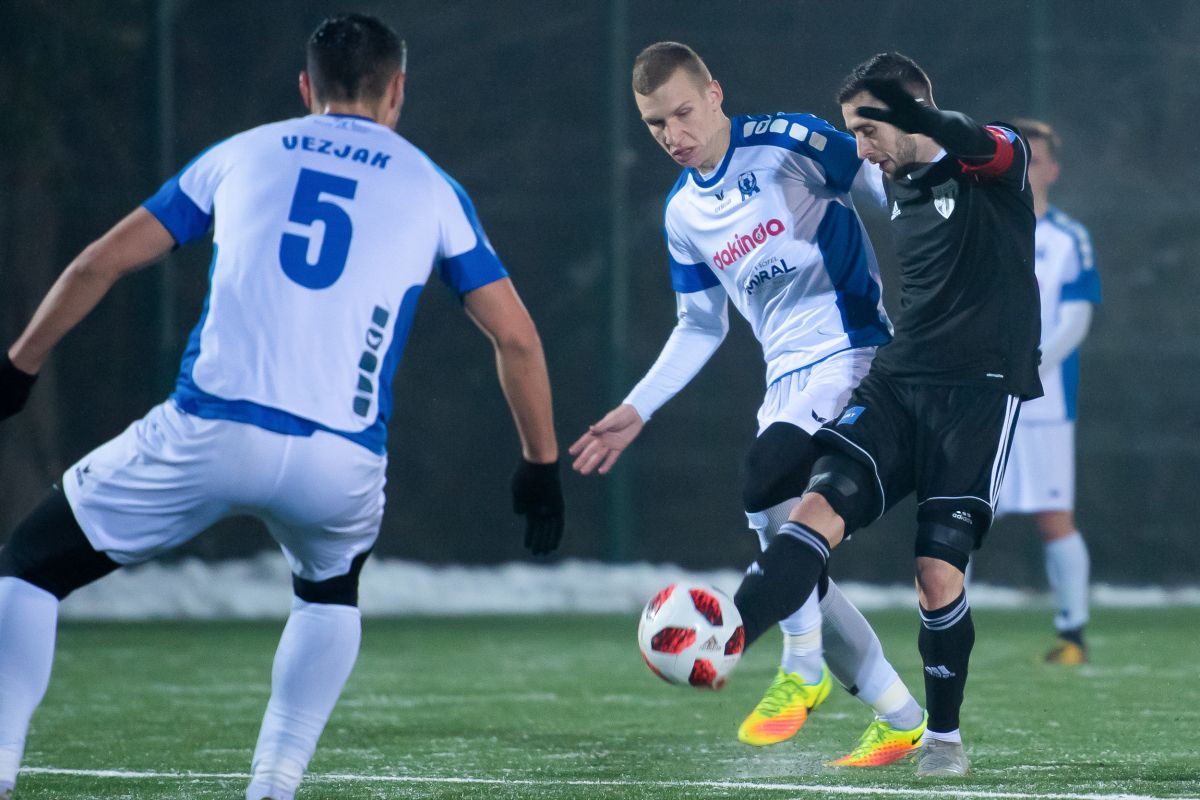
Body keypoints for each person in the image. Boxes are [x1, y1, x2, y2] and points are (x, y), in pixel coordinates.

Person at [0, 14, 564, 800]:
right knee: (329, 593)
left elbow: (100, 263)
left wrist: (20, 366)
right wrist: (541, 465)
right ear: (398, 91)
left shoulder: (242, 153)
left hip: (209, 430)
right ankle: (274, 781)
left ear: (306, 88)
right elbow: (518, 340)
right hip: (341, 461)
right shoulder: (435, 188)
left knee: (29, 568)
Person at [569, 41, 926, 766]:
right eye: (654, 124)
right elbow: (701, 324)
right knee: (794, 561)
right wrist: (638, 407)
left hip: (852, 352)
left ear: (714, 94)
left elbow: (881, 181)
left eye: (682, 113)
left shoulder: (787, 143)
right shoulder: (681, 213)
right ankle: (898, 712)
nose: (672, 134)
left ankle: (801, 667)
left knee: (764, 477)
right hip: (783, 384)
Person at [728, 52, 1041, 778]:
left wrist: (920, 119)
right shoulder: (894, 176)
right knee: (813, 511)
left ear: (910, 112)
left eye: (869, 129)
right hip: (898, 383)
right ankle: (729, 632)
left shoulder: (995, 163)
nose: (861, 148)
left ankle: (944, 740)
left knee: (936, 571)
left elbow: (977, 140)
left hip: (979, 393)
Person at [993, 118, 1100, 665]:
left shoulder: (1068, 238)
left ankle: (1072, 635)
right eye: (1019, 158)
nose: (1026, 169)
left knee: (1055, 517)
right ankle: (943, 629)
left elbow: (1076, 320)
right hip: (986, 399)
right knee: (958, 514)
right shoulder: (984, 229)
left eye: (1035, 160)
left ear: (1053, 170)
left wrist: (1029, 366)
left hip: (1047, 403)